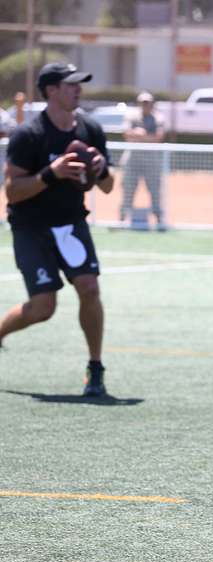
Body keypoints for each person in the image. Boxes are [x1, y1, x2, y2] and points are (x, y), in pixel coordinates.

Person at [0, 63, 115, 396]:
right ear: (51, 90)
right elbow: (13, 191)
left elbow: (107, 187)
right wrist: (52, 172)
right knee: (43, 308)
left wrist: (101, 169)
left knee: (90, 288)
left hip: (71, 224)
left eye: (80, 84)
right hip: (31, 227)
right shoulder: (29, 135)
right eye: (71, 85)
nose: (78, 90)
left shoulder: (90, 130)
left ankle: (95, 368)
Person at [119, 91, 166, 229]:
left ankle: (159, 221)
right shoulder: (131, 116)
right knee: (127, 190)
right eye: (143, 102)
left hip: (151, 161)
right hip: (132, 160)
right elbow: (126, 134)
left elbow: (159, 137)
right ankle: (122, 220)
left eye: (148, 102)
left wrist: (141, 136)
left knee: (155, 191)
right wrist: (144, 136)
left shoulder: (158, 117)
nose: (146, 105)